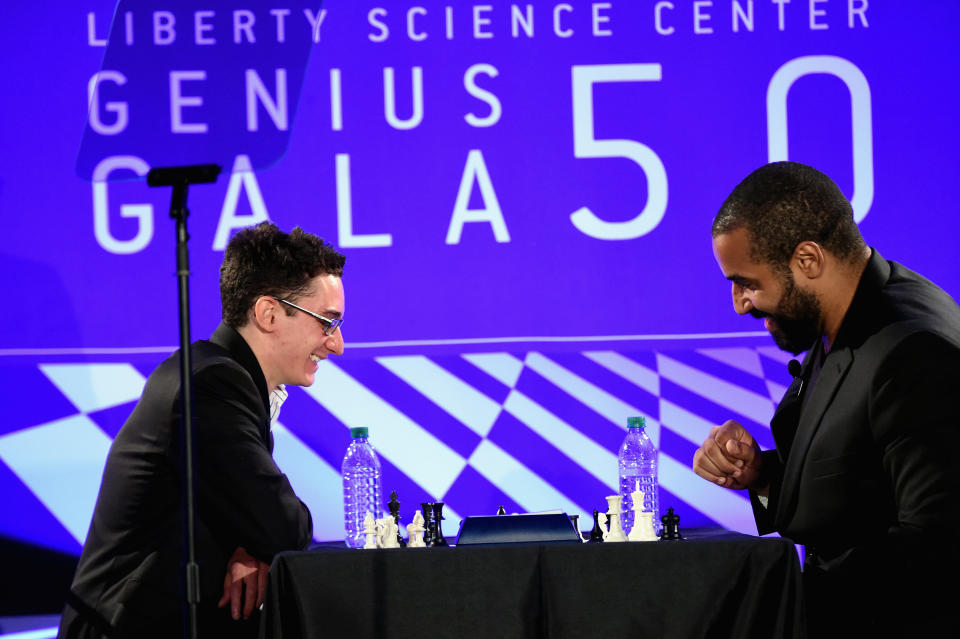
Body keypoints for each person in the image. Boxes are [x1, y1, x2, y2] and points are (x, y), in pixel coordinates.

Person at [692, 162, 960, 636]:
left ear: (808, 260)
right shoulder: (847, 314)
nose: (739, 303)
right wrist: (765, 475)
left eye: (748, 282)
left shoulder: (913, 351)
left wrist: (781, 599)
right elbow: (866, 483)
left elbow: (936, 545)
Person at [58, 222, 346, 638]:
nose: (336, 344)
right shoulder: (212, 386)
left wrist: (251, 544)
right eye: (327, 322)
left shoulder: (216, 374)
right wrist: (260, 538)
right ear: (268, 314)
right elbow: (286, 529)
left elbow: (255, 518)